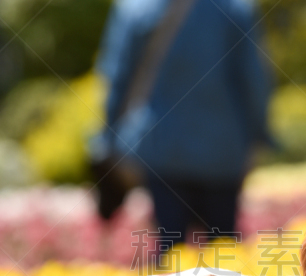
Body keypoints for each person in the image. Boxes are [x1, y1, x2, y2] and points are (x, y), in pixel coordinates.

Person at [92, 0, 273, 247]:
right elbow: (255, 82)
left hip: (162, 148)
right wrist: (257, 137)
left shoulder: (136, 8)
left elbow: (117, 80)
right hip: (222, 149)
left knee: (170, 256)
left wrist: (109, 140)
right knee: (224, 257)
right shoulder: (235, 8)